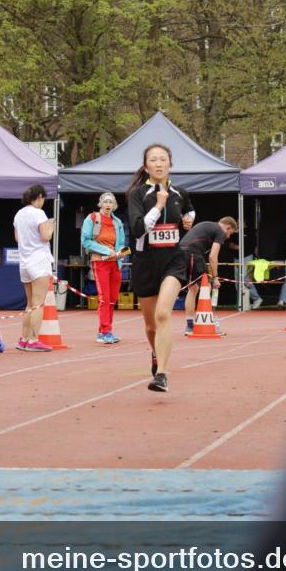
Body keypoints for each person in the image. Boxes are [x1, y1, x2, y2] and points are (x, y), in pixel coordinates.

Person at [126, 143, 195, 393]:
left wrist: (189, 220)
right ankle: (156, 354)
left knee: (164, 314)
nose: (158, 163)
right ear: (146, 166)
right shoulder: (137, 194)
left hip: (173, 261)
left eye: (162, 159)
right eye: (153, 160)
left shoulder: (180, 192)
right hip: (145, 262)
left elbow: (189, 210)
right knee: (151, 325)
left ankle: (162, 375)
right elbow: (137, 229)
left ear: (170, 164)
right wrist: (157, 205)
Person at [80, 192, 127, 344]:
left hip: (115, 263)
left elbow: (121, 244)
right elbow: (86, 241)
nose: (108, 205)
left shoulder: (118, 222)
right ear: (100, 204)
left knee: (113, 299)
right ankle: (106, 331)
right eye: (105, 202)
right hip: (100, 262)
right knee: (104, 298)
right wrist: (107, 251)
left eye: (111, 202)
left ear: (114, 206)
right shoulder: (92, 218)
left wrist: (121, 253)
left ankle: (104, 331)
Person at [13, 184, 55, 351]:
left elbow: (17, 238)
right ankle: (33, 339)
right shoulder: (39, 213)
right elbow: (45, 237)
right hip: (39, 259)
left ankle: (24, 338)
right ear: (39, 197)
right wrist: (51, 226)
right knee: (38, 303)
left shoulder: (19, 214)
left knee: (30, 303)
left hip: (24, 261)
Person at [182, 217, 238, 335]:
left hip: (181, 253)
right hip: (193, 253)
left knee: (193, 288)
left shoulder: (208, 224)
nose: (228, 237)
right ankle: (207, 322)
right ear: (228, 227)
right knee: (206, 287)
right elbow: (213, 256)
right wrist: (215, 277)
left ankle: (190, 325)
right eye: (230, 233)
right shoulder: (219, 231)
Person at [228, 220, 263, 309]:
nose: (238, 223)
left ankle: (257, 299)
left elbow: (252, 245)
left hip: (247, 257)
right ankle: (242, 302)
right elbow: (229, 244)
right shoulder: (233, 232)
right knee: (237, 281)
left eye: (240, 221)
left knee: (245, 279)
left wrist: (239, 247)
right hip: (236, 258)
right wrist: (235, 247)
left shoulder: (250, 232)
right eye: (237, 222)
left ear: (244, 222)